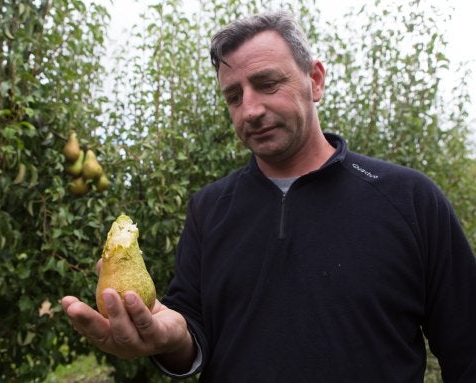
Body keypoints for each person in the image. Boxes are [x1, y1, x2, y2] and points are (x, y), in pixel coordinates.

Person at [61, 10, 476, 382]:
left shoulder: (409, 199)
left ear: (314, 80)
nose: (249, 110)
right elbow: (192, 330)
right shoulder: (210, 208)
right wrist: (170, 338)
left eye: (267, 83)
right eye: (234, 95)